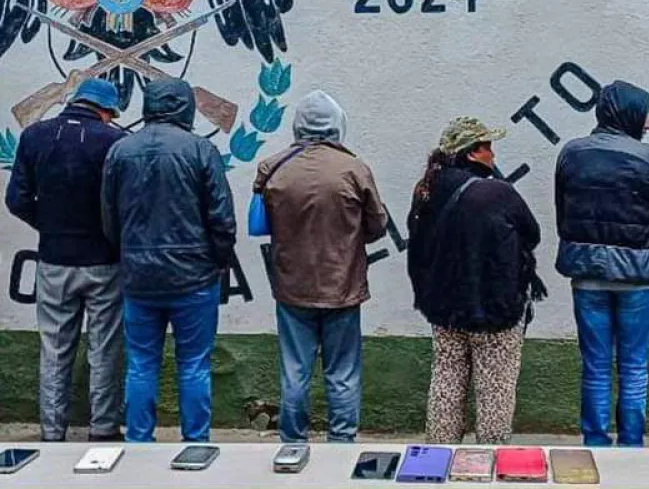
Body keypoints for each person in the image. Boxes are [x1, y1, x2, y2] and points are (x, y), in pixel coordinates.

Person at [101, 78, 236, 443]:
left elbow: (109, 218)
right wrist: (219, 261)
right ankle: (195, 443)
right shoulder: (201, 150)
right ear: (185, 107)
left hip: (139, 278)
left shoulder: (120, 150)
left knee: (141, 365)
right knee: (193, 365)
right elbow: (221, 218)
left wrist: (126, 255)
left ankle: (139, 442)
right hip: (194, 278)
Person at [253, 90, 388, 443]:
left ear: (298, 125)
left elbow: (262, 223)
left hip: (291, 287)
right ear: (337, 124)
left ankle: (293, 442)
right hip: (342, 287)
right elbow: (377, 225)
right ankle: (341, 443)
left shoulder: (273, 168)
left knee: (294, 371)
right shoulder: (354, 169)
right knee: (342, 372)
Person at [407, 117, 544, 445]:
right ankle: (490, 459)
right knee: (495, 389)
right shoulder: (497, 192)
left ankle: (440, 455)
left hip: (443, 309)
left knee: (446, 380)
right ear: (471, 153)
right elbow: (532, 233)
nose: (493, 154)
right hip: (495, 312)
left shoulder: (427, 189)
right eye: (488, 147)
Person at [4, 80, 127, 442]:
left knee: (54, 350)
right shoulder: (115, 141)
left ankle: (52, 433)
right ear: (106, 111)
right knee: (104, 350)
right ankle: (103, 430)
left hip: (54, 259)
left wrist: (49, 226)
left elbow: (17, 199)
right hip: (104, 261)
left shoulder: (34, 136)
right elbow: (123, 205)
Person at [554, 80, 649, 447]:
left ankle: (596, 443)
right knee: (634, 367)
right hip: (638, 278)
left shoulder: (572, 154)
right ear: (630, 114)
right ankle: (631, 447)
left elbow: (563, 214)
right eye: (644, 114)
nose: (648, 123)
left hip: (588, 274)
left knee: (596, 365)